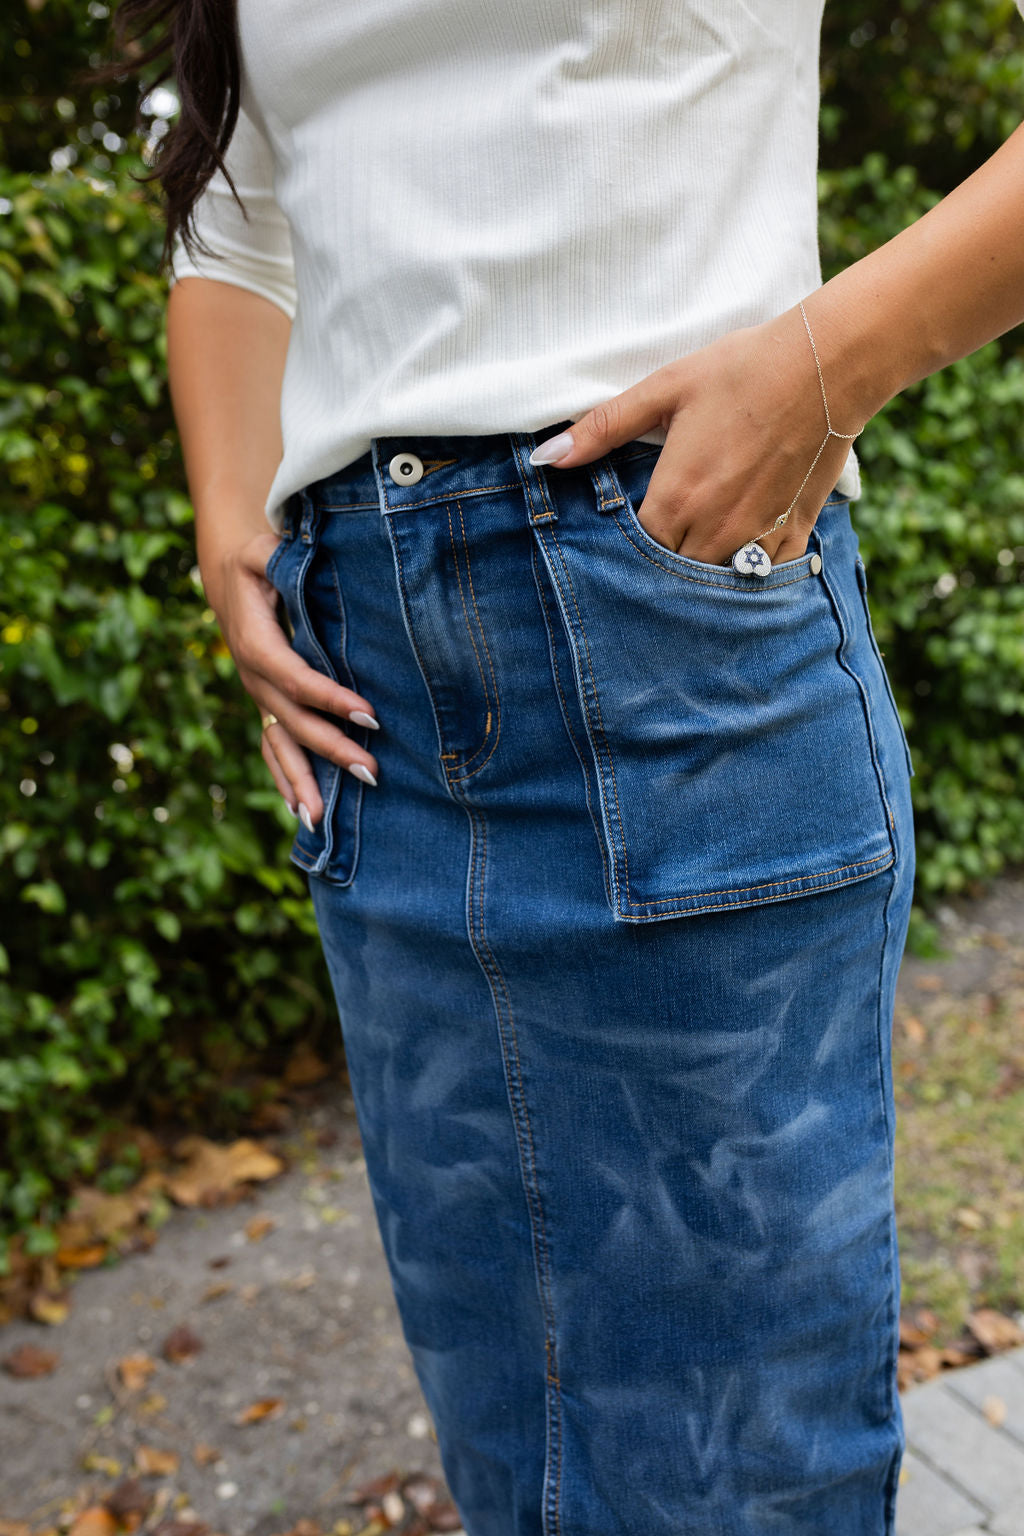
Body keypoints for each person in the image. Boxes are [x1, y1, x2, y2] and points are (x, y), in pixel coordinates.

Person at [107, 1, 1024, 1531]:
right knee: (519, 1466)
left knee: (741, 1482)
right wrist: (231, 537)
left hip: (663, 632)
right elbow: (242, 220)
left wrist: (818, 367)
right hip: (375, 706)